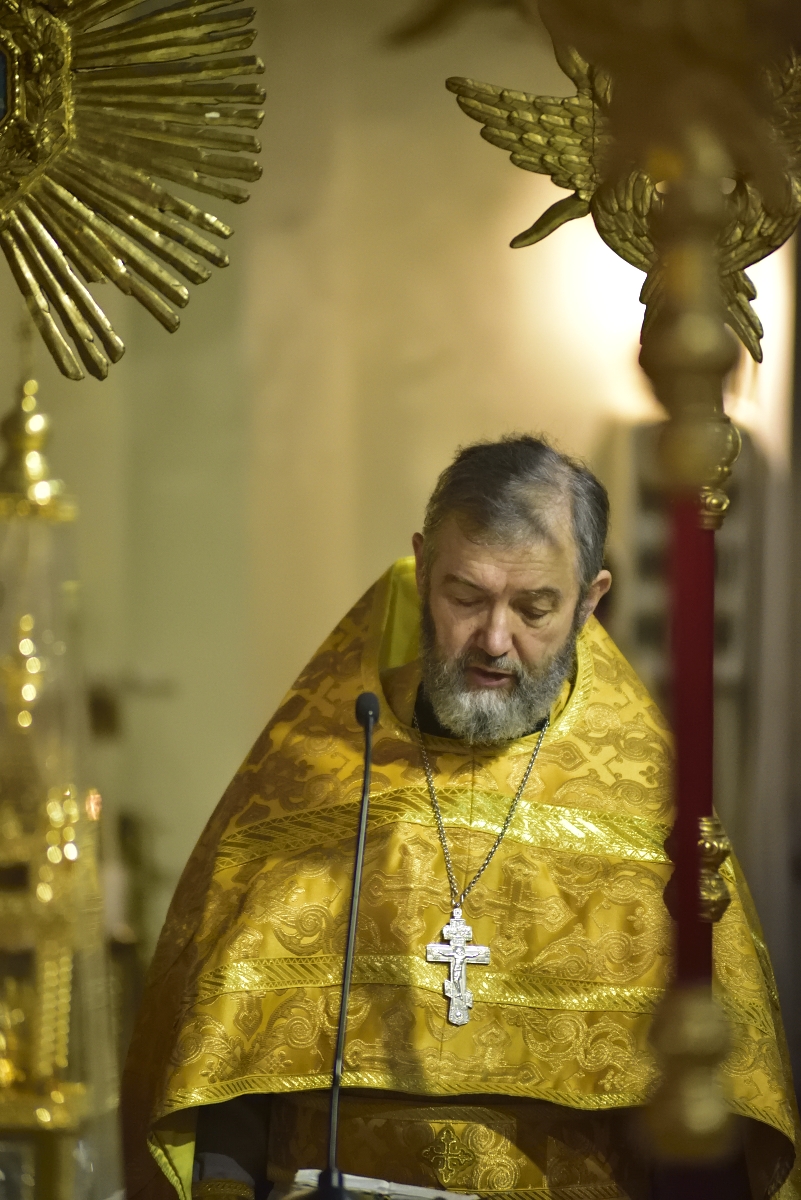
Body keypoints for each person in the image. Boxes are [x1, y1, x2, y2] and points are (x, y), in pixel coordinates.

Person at [122, 436, 799, 1200]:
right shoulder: (320, 765)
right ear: (420, 569)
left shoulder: (650, 806)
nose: (494, 641)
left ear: (589, 600)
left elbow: (714, 1113)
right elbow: (228, 1066)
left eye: (534, 607)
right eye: (466, 598)